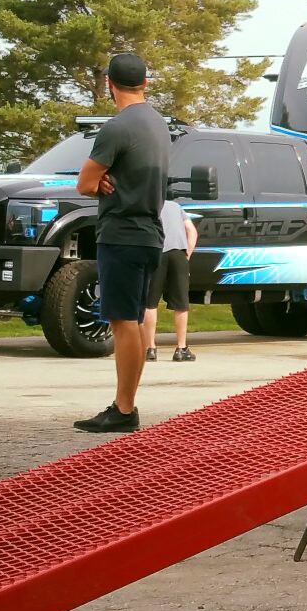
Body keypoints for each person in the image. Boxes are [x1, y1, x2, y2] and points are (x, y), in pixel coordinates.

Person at [74, 52, 169, 433]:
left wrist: (99, 180)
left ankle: (124, 409)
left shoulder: (116, 128)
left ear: (109, 84)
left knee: (123, 321)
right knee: (133, 320)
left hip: (121, 235)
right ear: (145, 82)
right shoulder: (158, 124)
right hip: (150, 235)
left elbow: (84, 184)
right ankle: (124, 404)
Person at [143, 198, 197, 362]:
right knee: (181, 303)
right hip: (178, 254)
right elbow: (192, 231)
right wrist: (187, 254)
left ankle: (150, 348)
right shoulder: (176, 206)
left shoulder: (146, 204)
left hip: (156, 252)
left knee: (150, 303)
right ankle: (181, 348)